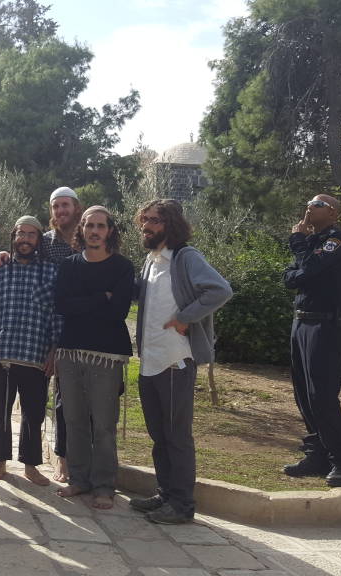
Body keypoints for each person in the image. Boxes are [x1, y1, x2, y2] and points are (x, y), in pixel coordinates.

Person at [129, 198, 232, 525]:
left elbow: (220, 289)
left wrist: (186, 317)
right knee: (159, 434)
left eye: (155, 221)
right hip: (150, 361)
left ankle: (183, 505)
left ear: (171, 224)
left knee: (176, 435)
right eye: (144, 220)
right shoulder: (151, 260)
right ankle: (166, 494)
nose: (147, 226)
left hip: (175, 361)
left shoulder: (186, 257)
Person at [53, 206, 134, 509]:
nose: (95, 231)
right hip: (70, 351)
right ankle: (79, 479)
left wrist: (85, 303)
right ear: (82, 229)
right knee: (73, 419)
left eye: (101, 225)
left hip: (107, 354)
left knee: (103, 423)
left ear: (110, 231)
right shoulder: (70, 265)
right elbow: (62, 305)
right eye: (90, 225)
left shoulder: (123, 268)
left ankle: (104, 485)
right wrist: (102, 297)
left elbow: (119, 312)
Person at [282, 194, 341, 486]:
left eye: (317, 205)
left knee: (321, 394)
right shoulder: (312, 243)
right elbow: (290, 277)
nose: (309, 208)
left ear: (333, 213)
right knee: (303, 392)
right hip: (300, 321)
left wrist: (298, 243)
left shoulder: (338, 239)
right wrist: (303, 260)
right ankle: (317, 454)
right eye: (310, 204)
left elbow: (309, 270)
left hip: (324, 324)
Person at [0, 215, 56, 486]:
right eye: (20, 234)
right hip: (1, 353)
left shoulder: (51, 272)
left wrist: (54, 350)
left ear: (39, 240)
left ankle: (30, 466)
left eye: (31, 235)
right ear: (13, 238)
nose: (25, 239)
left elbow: (57, 315)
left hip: (36, 355)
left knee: (33, 414)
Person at [43, 186, 82, 483]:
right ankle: (62, 458)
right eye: (56, 207)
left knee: (86, 397)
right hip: (50, 327)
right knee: (61, 397)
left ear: (76, 208)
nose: (60, 211)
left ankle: (86, 457)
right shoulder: (45, 243)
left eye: (65, 206)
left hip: (86, 326)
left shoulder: (92, 240)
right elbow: (22, 256)